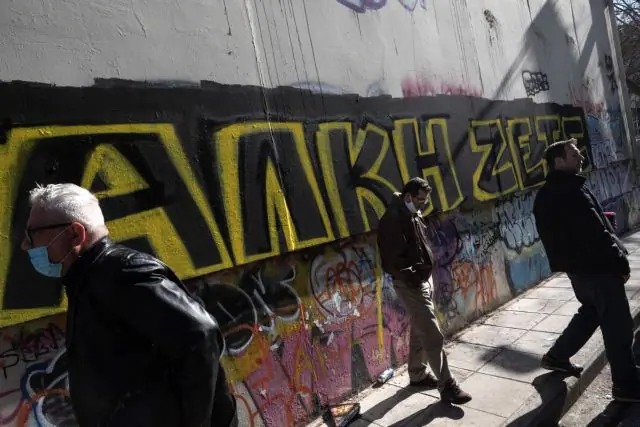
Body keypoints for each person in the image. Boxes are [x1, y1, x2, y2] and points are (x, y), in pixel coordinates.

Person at [21, 183, 238, 426]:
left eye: (32, 234)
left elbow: (201, 335)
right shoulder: (89, 280)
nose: (25, 245)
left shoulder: (123, 274)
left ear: (75, 234)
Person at [533, 139, 640, 402]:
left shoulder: (548, 193)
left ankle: (556, 356)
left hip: (578, 270)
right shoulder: (571, 192)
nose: (580, 157)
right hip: (597, 268)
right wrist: (619, 260)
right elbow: (594, 234)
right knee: (617, 325)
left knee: (591, 312)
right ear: (558, 161)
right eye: (573, 154)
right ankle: (625, 386)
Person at [377, 177, 472, 405]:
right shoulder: (393, 219)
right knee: (431, 333)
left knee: (420, 327)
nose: (423, 205)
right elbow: (392, 261)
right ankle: (447, 385)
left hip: (421, 280)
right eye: (420, 200)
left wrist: (424, 275)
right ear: (408, 197)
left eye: (425, 201)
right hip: (410, 284)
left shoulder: (412, 213)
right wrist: (416, 277)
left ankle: (417, 374)